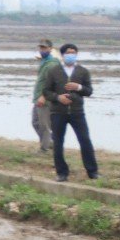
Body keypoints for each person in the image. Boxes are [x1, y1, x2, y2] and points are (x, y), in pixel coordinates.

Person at [40, 41, 98, 182]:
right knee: (58, 143)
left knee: (85, 140)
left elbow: (89, 91)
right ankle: (62, 173)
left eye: (73, 53)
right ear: (62, 55)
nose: (71, 55)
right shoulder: (54, 71)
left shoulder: (82, 71)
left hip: (77, 112)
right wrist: (58, 97)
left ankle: (93, 172)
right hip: (58, 112)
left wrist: (78, 87)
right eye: (68, 53)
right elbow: (46, 91)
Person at [30, 39, 58, 152]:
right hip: (38, 97)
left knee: (43, 125)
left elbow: (50, 83)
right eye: (41, 48)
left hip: (44, 98)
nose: (42, 50)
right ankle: (49, 142)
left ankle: (44, 148)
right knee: (35, 122)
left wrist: (43, 96)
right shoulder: (45, 62)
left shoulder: (51, 64)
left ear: (50, 49)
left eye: (44, 48)